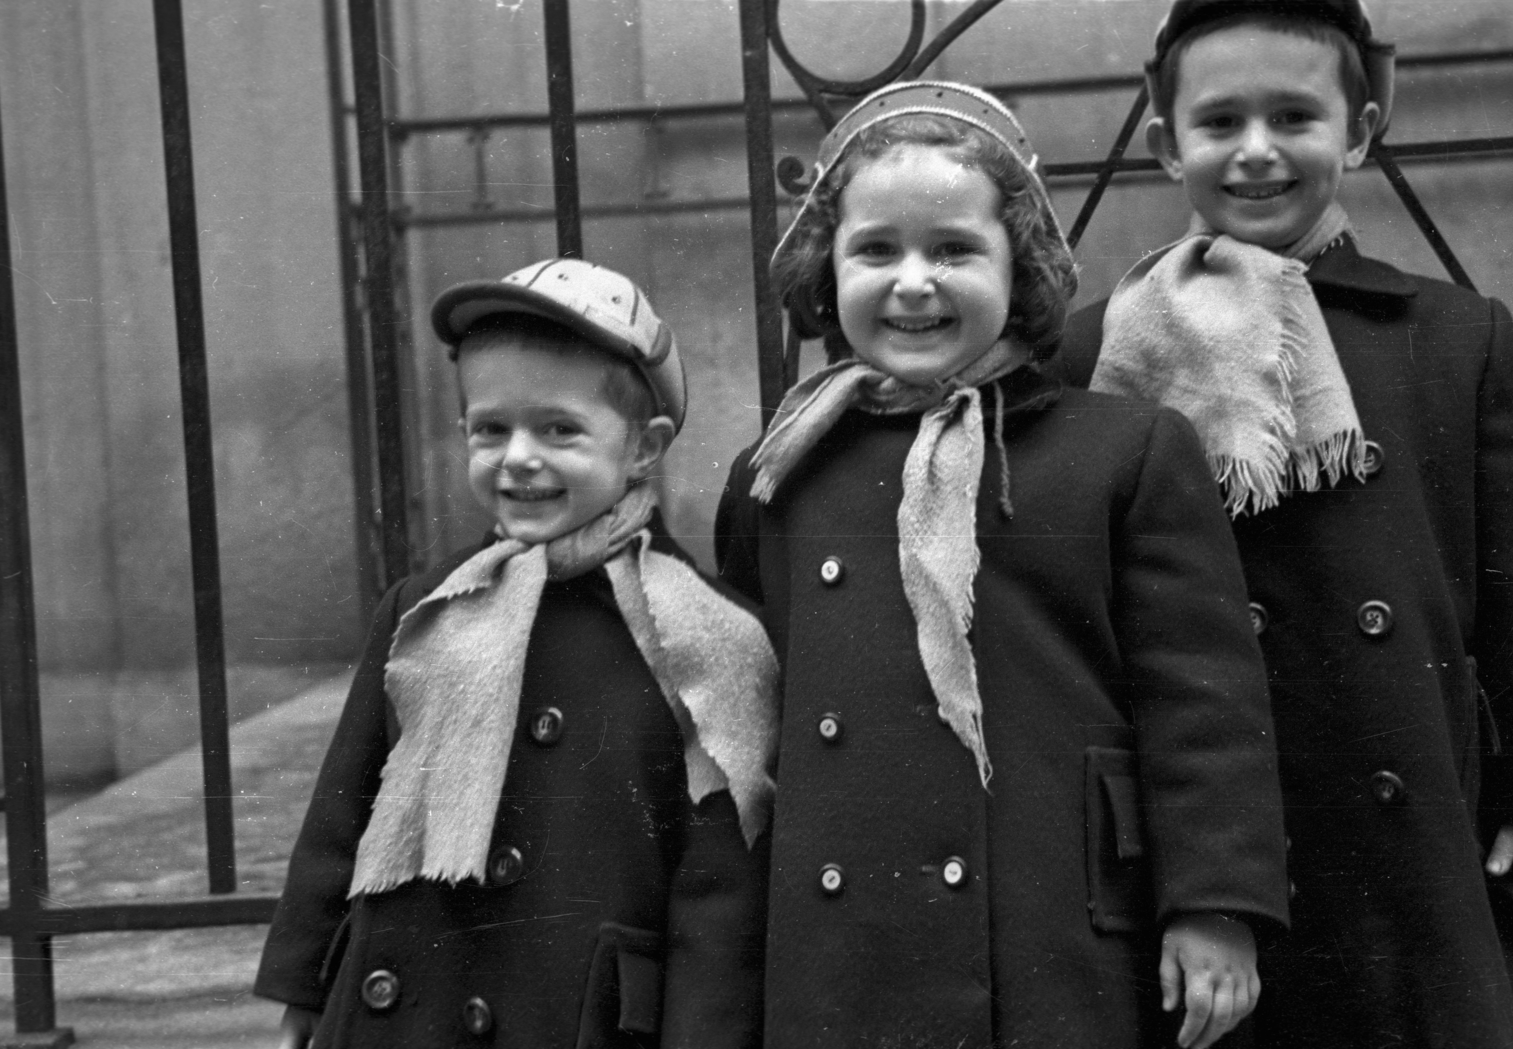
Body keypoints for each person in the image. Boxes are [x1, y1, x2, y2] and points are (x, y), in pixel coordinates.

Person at [1051, 3, 1513, 1046]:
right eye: (1220, 123)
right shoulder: (1099, 357)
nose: (1257, 151)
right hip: (1206, 841)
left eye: (1294, 117)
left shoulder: (1446, 333)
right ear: (1168, 146)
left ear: (1357, 130)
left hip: (1406, 821)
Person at [715, 80, 1289, 1049]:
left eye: (952, 249)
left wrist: (1215, 903)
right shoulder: (781, 470)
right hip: (838, 940)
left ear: (1018, 269)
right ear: (827, 270)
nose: (912, 282)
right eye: (874, 250)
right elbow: (740, 718)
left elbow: (1204, 699)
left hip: (1046, 919)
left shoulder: (1120, 450)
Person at [255, 258, 778, 1049]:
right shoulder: (428, 609)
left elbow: (719, 893)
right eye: (490, 428)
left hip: (576, 1015)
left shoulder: (709, 635)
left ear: (645, 447)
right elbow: (342, 813)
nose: (518, 457)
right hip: (404, 1010)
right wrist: (302, 993)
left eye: (559, 428)